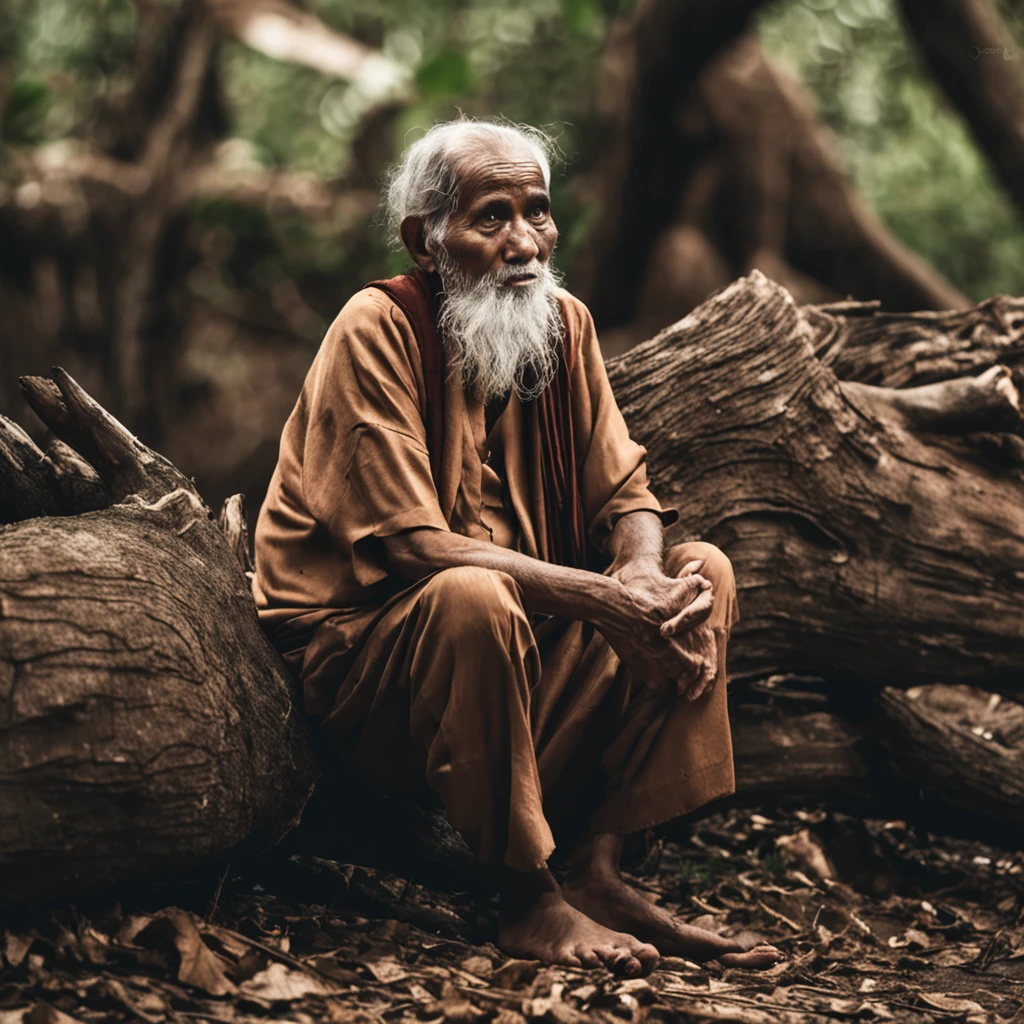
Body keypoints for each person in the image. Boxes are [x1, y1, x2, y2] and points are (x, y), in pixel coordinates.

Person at [252, 118, 783, 975]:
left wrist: (642, 575)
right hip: (368, 678)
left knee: (701, 573)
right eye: (490, 218)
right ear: (425, 240)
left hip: (520, 659)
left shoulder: (564, 328)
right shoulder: (375, 327)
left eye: (537, 213)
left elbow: (630, 497)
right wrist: (605, 600)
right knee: (474, 594)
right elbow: (419, 549)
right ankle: (527, 900)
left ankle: (597, 868)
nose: (523, 244)